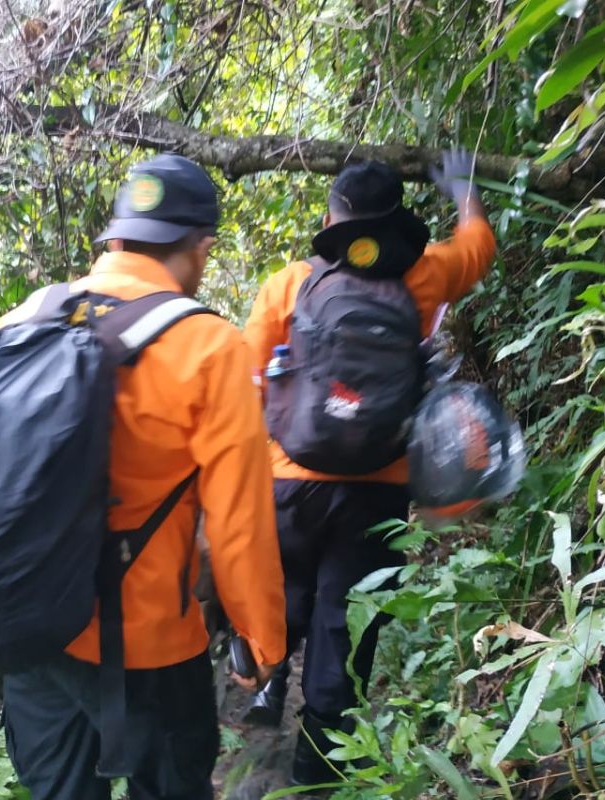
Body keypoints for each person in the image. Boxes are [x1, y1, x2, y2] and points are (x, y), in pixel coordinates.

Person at [0, 153, 287, 800]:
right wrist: (261, 639)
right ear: (200, 246)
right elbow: (239, 524)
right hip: (147, 643)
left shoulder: (30, 314)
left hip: (30, 626)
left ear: (117, 238)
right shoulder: (210, 347)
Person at [242, 151, 496, 783]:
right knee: (346, 629)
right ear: (397, 220)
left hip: (288, 478)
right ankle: (316, 771)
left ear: (332, 217)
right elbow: (480, 245)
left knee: (285, 595)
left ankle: (262, 685)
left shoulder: (287, 284)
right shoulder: (428, 273)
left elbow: (244, 386)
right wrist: (462, 186)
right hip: (378, 489)